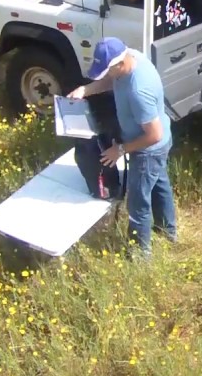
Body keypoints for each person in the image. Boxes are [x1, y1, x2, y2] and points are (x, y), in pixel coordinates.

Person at [67, 37, 177, 256]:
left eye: (107, 70)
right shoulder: (131, 56)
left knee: (137, 204)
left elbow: (154, 135)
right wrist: (85, 90)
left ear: (118, 64)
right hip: (158, 143)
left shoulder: (139, 90)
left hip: (148, 149)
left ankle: (139, 254)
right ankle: (168, 230)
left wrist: (120, 150)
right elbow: (111, 81)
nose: (106, 75)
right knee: (159, 184)